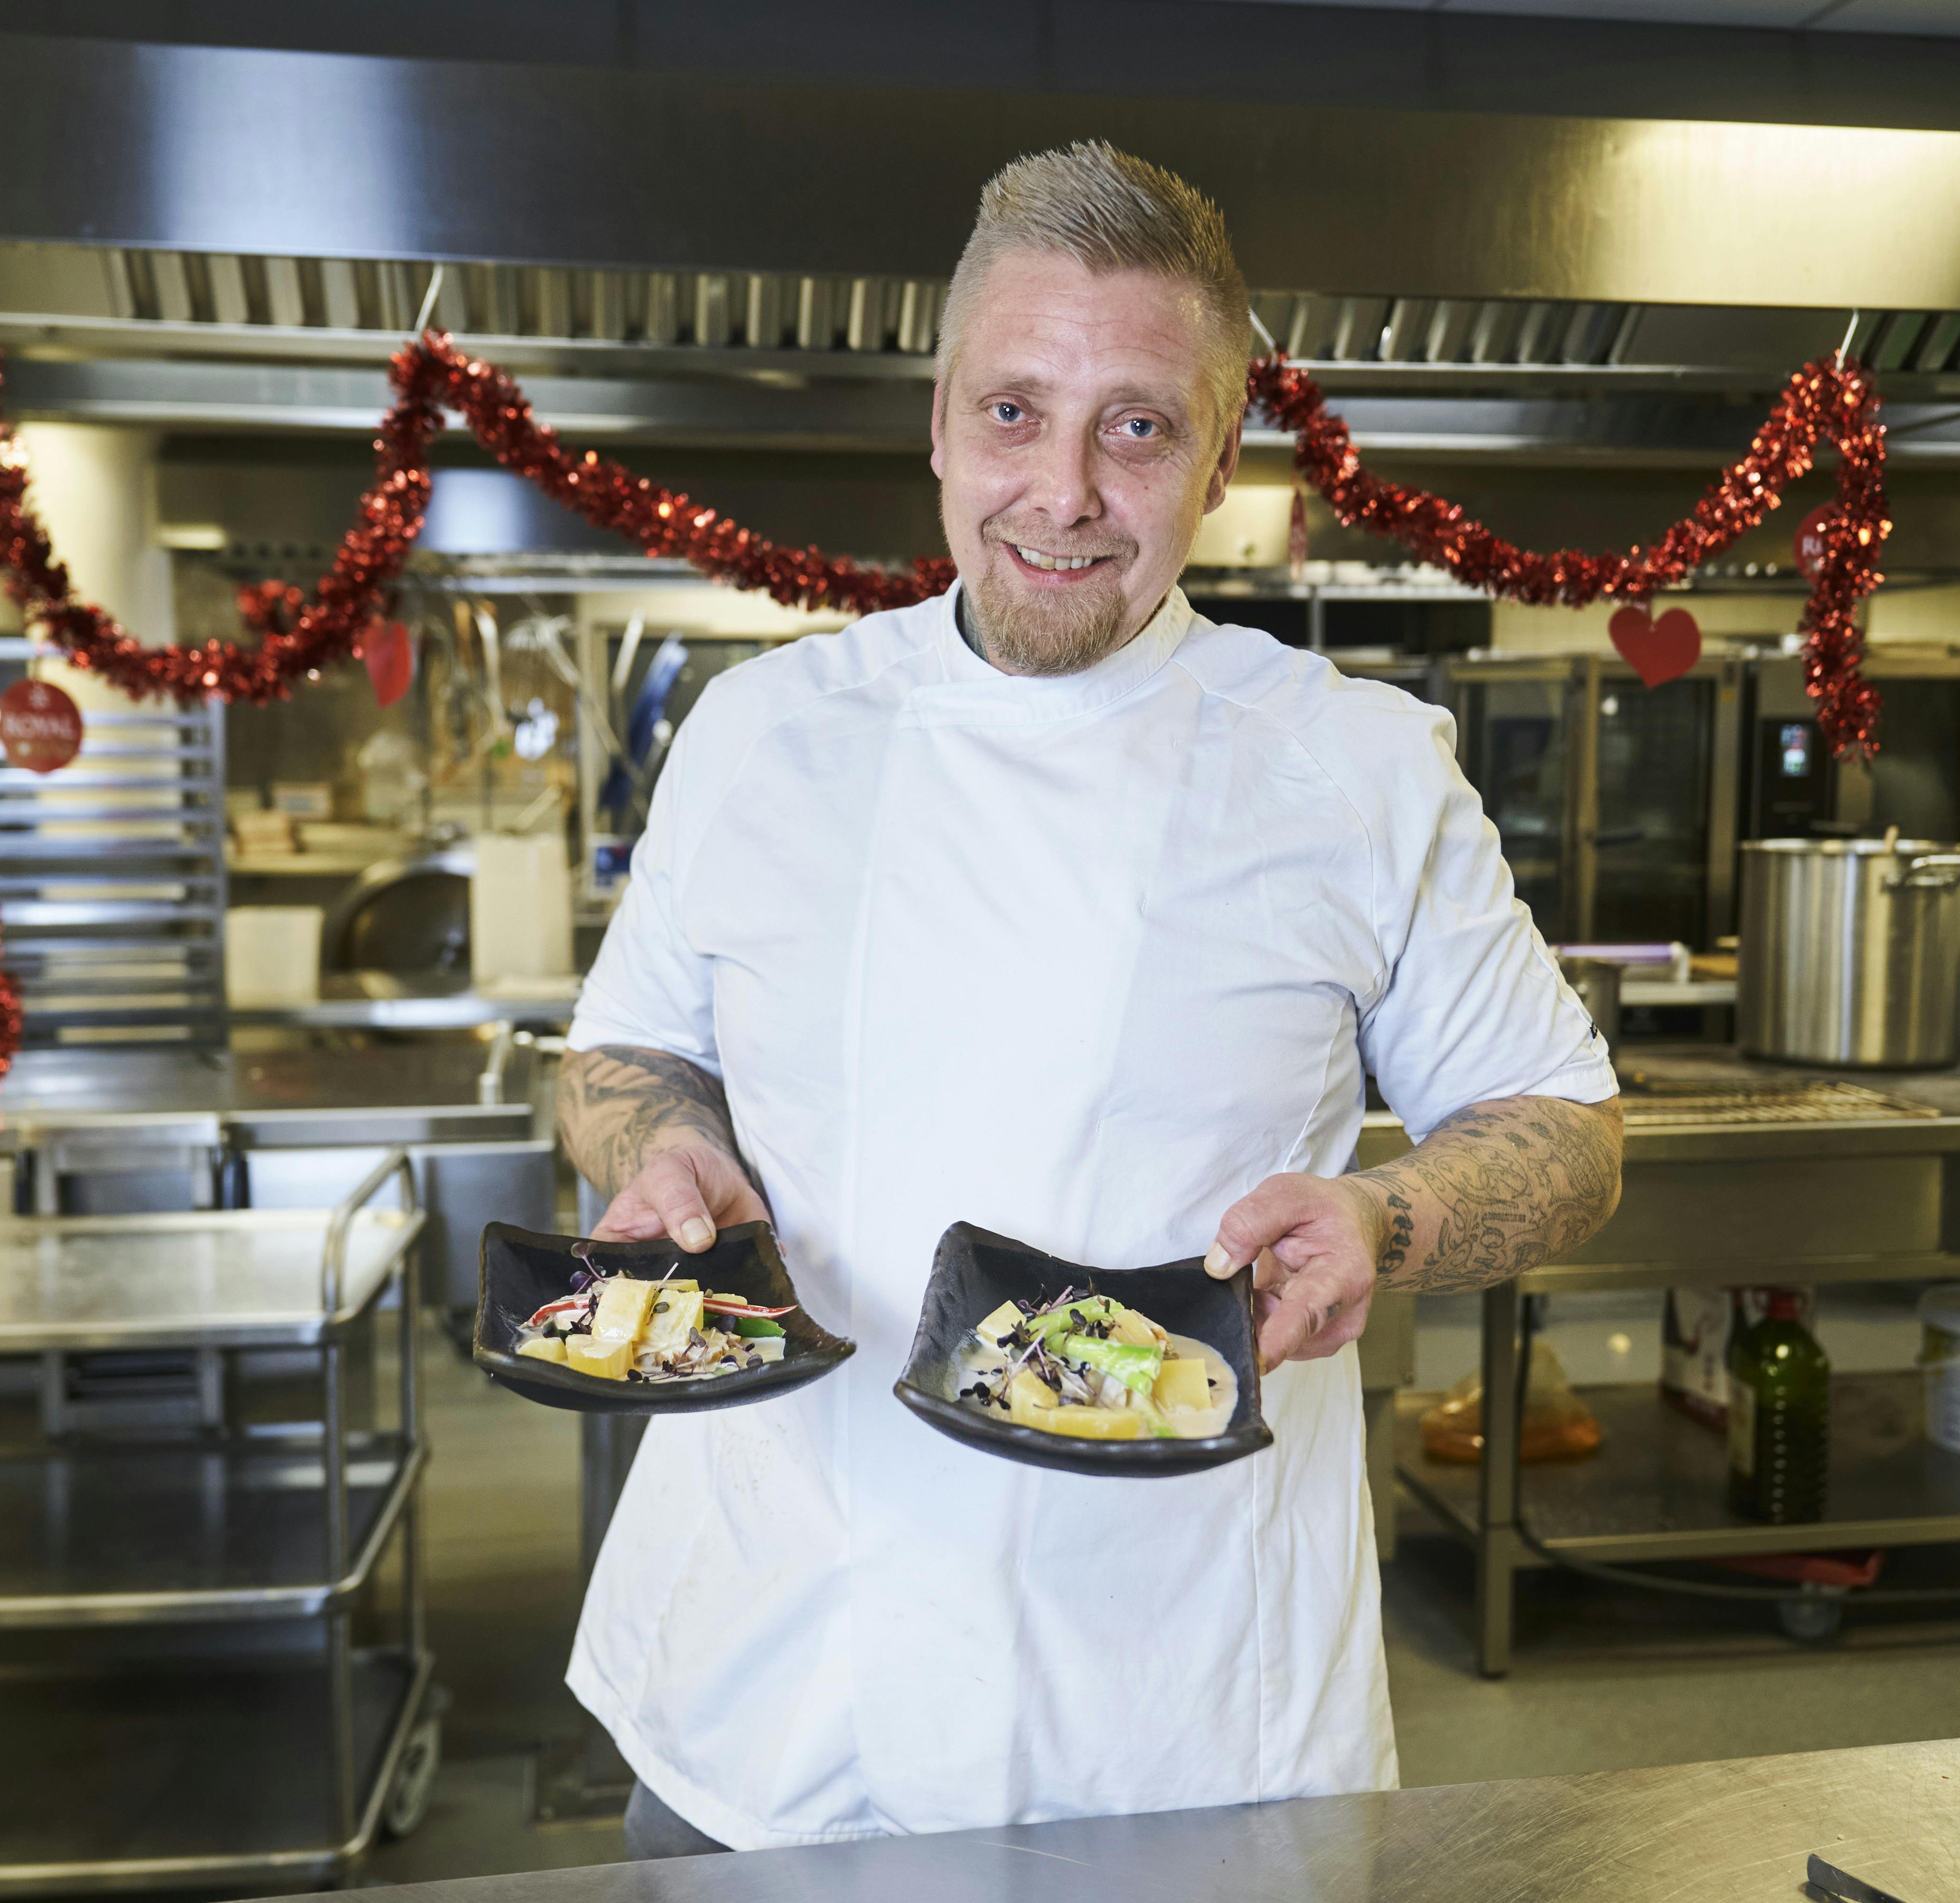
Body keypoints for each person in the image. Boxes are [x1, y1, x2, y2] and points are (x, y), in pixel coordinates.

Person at [557, 141, 1623, 1859]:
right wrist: (667, 1145)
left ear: (1216, 462)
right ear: (939, 422)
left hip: (1180, 1723)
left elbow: (1565, 1132)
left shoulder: (1356, 771)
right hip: (761, 1687)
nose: (1061, 492)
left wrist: (1387, 1214)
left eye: (1135, 426)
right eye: (1012, 414)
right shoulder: (760, 736)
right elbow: (625, 1048)